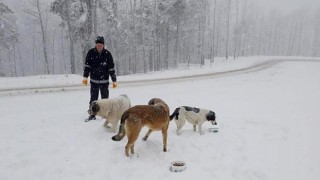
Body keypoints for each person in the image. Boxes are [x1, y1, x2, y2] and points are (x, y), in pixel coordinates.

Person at [83, 36, 118, 121]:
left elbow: (111, 68)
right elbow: (87, 66)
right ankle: (92, 114)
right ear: (96, 45)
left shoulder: (107, 54)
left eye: (101, 45)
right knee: (93, 99)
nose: (99, 46)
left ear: (103, 45)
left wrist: (114, 80)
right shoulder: (91, 53)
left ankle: (105, 115)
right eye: (98, 45)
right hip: (94, 80)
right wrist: (85, 76)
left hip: (104, 81)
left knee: (105, 99)